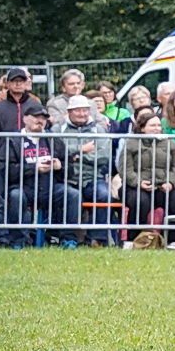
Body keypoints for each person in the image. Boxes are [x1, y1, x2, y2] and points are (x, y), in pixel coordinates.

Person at [0, 106, 81, 247]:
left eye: (43, 118)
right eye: (36, 117)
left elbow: (69, 168)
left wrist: (60, 166)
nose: (40, 121)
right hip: (24, 187)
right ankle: (18, 241)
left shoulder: (53, 139)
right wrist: (34, 168)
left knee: (73, 195)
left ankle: (69, 240)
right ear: (25, 118)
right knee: (16, 196)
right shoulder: (13, 140)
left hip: (50, 186)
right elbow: (6, 169)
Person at [118, 110, 175, 244]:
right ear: (142, 128)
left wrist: (171, 183)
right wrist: (139, 182)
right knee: (140, 201)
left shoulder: (170, 142)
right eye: (152, 125)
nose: (157, 128)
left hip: (163, 185)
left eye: (158, 125)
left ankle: (174, 240)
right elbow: (125, 168)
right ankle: (132, 239)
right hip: (136, 186)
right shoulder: (131, 143)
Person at [57, 95, 116, 246]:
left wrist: (74, 155)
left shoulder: (99, 129)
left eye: (85, 110)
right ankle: (69, 239)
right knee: (72, 195)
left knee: (104, 195)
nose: (82, 114)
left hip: (93, 177)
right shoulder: (58, 129)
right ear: (69, 111)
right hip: (66, 178)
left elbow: (103, 156)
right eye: (78, 110)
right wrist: (82, 150)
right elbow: (57, 152)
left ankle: (97, 239)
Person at [0, 67, 45, 133]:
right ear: (8, 84)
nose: (18, 84)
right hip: (5, 140)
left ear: (25, 83)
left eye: (21, 81)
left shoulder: (35, 105)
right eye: (14, 80)